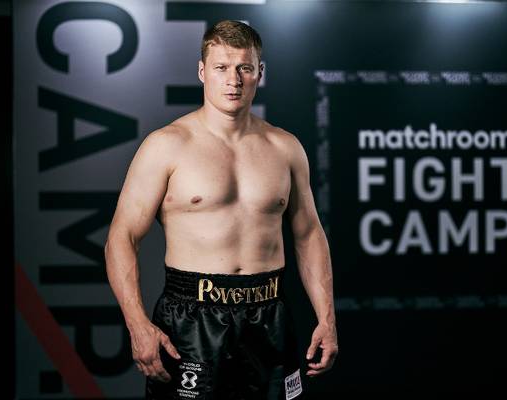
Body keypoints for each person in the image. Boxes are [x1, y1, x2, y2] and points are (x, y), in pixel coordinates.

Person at [104, 20, 338, 400]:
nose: (234, 80)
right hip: (192, 319)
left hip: (270, 315)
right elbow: (122, 237)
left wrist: (327, 319)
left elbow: (309, 234)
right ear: (202, 72)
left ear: (260, 72)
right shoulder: (166, 145)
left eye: (245, 68)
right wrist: (137, 324)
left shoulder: (285, 148)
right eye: (221, 67)